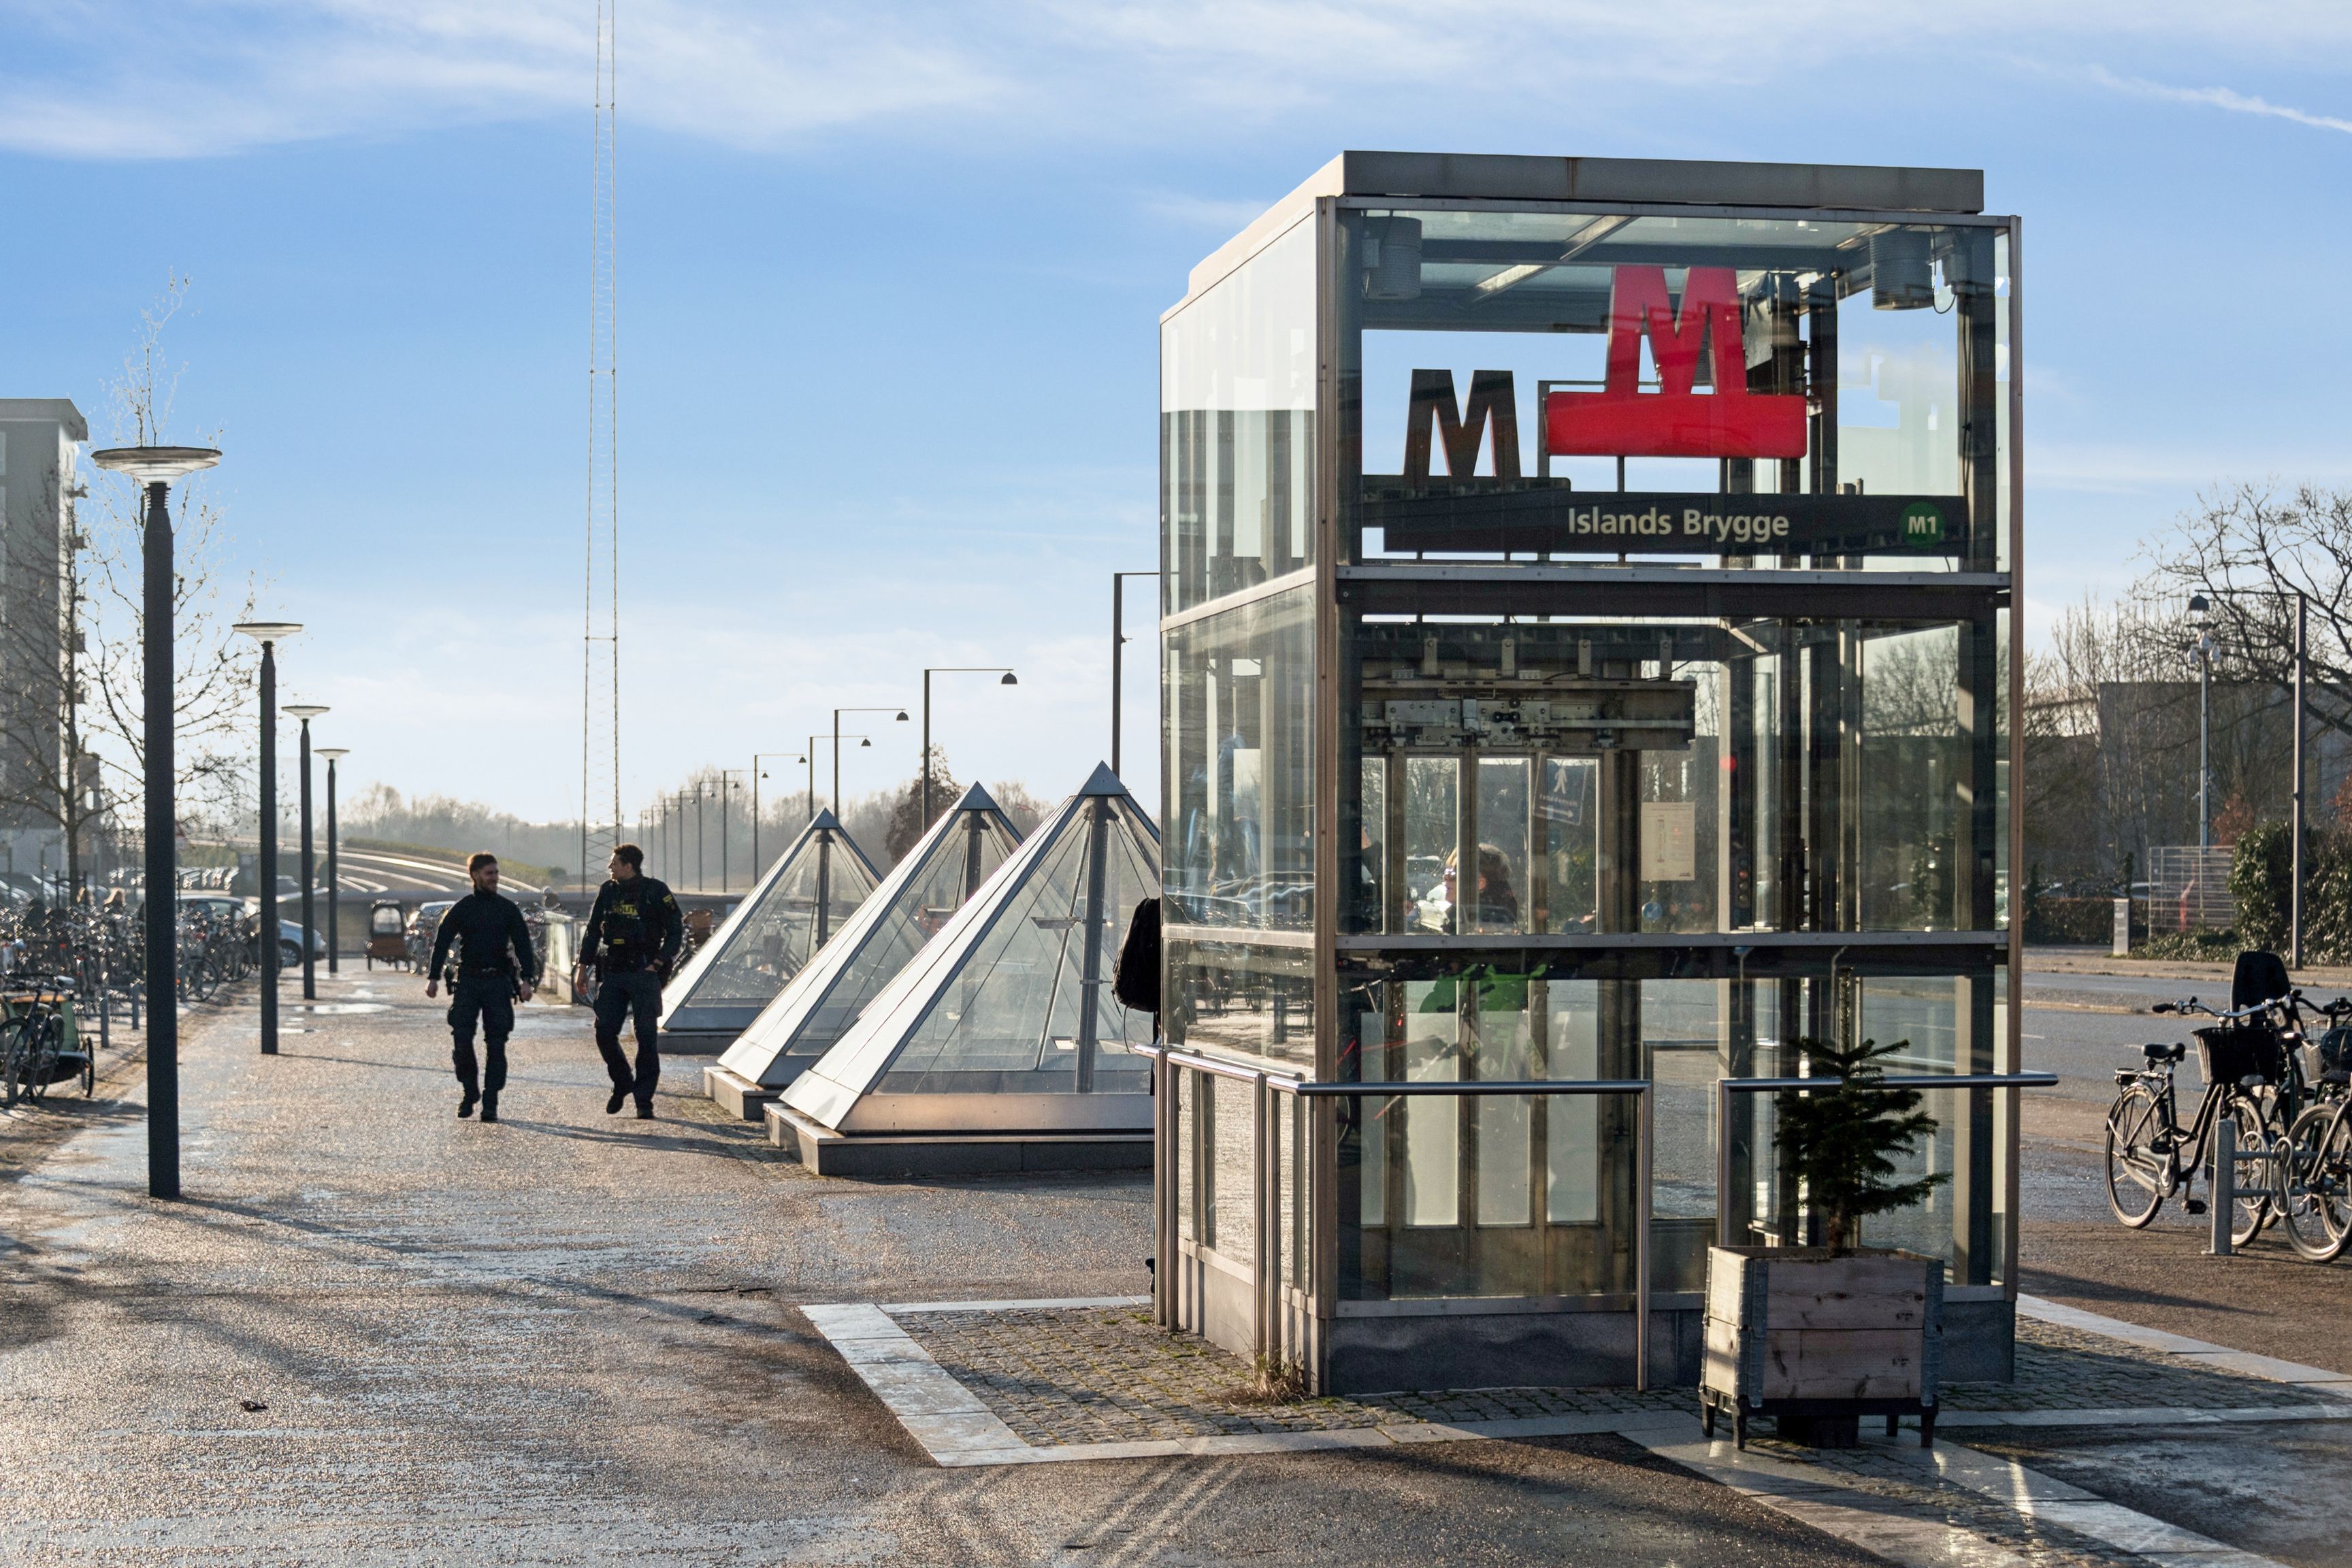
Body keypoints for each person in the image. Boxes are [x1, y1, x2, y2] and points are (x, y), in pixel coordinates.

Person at [425, 853, 539, 1123]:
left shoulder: (507, 909)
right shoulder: (463, 908)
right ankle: (469, 1090)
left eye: (496, 873)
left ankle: (491, 1101)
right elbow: (442, 942)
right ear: (475, 875)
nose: (495, 878)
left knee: (496, 1043)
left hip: (499, 981)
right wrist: (433, 977)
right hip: (469, 982)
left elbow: (524, 945)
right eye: (489, 874)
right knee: (462, 1038)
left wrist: (527, 980)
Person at [574, 843, 682, 1119]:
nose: (610, 867)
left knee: (646, 1036)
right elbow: (592, 931)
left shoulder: (656, 891)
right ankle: (623, 1081)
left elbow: (675, 930)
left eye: (615, 863)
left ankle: (644, 1101)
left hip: (644, 972)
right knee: (604, 1031)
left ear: (629, 865)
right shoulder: (607, 891)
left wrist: (658, 962)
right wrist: (582, 967)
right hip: (614, 971)